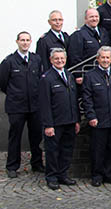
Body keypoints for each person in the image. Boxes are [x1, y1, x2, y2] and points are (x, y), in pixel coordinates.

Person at [0, 31, 44, 178]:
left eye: (27, 40)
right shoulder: (8, 61)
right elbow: (3, 83)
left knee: (36, 136)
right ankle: (12, 166)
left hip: (35, 105)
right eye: (22, 40)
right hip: (16, 106)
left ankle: (37, 163)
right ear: (17, 42)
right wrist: (15, 94)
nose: (25, 43)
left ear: (31, 42)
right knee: (15, 136)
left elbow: (39, 80)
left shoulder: (36, 59)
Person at [81, 46, 111, 187]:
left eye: (108, 57)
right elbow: (86, 98)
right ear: (97, 59)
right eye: (103, 57)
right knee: (97, 149)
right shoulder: (90, 76)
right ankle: (97, 175)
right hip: (98, 119)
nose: (105, 60)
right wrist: (91, 116)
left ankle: (110, 174)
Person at [38, 48, 80, 190]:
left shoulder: (69, 75)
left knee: (67, 150)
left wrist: (76, 120)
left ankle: (63, 174)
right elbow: (44, 104)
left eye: (62, 58)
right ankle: (52, 177)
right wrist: (48, 125)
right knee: (52, 151)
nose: (60, 61)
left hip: (69, 121)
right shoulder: (47, 78)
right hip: (55, 123)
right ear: (51, 60)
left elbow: (73, 100)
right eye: (57, 59)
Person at [67, 9, 110, 77]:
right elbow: (75, 57)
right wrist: (79, 74)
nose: (94, 19)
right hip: (87, 73)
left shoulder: (103, 32)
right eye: (91, 17)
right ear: (85, 19)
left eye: (96, 16)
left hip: (102, 72)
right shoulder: (78, 35)